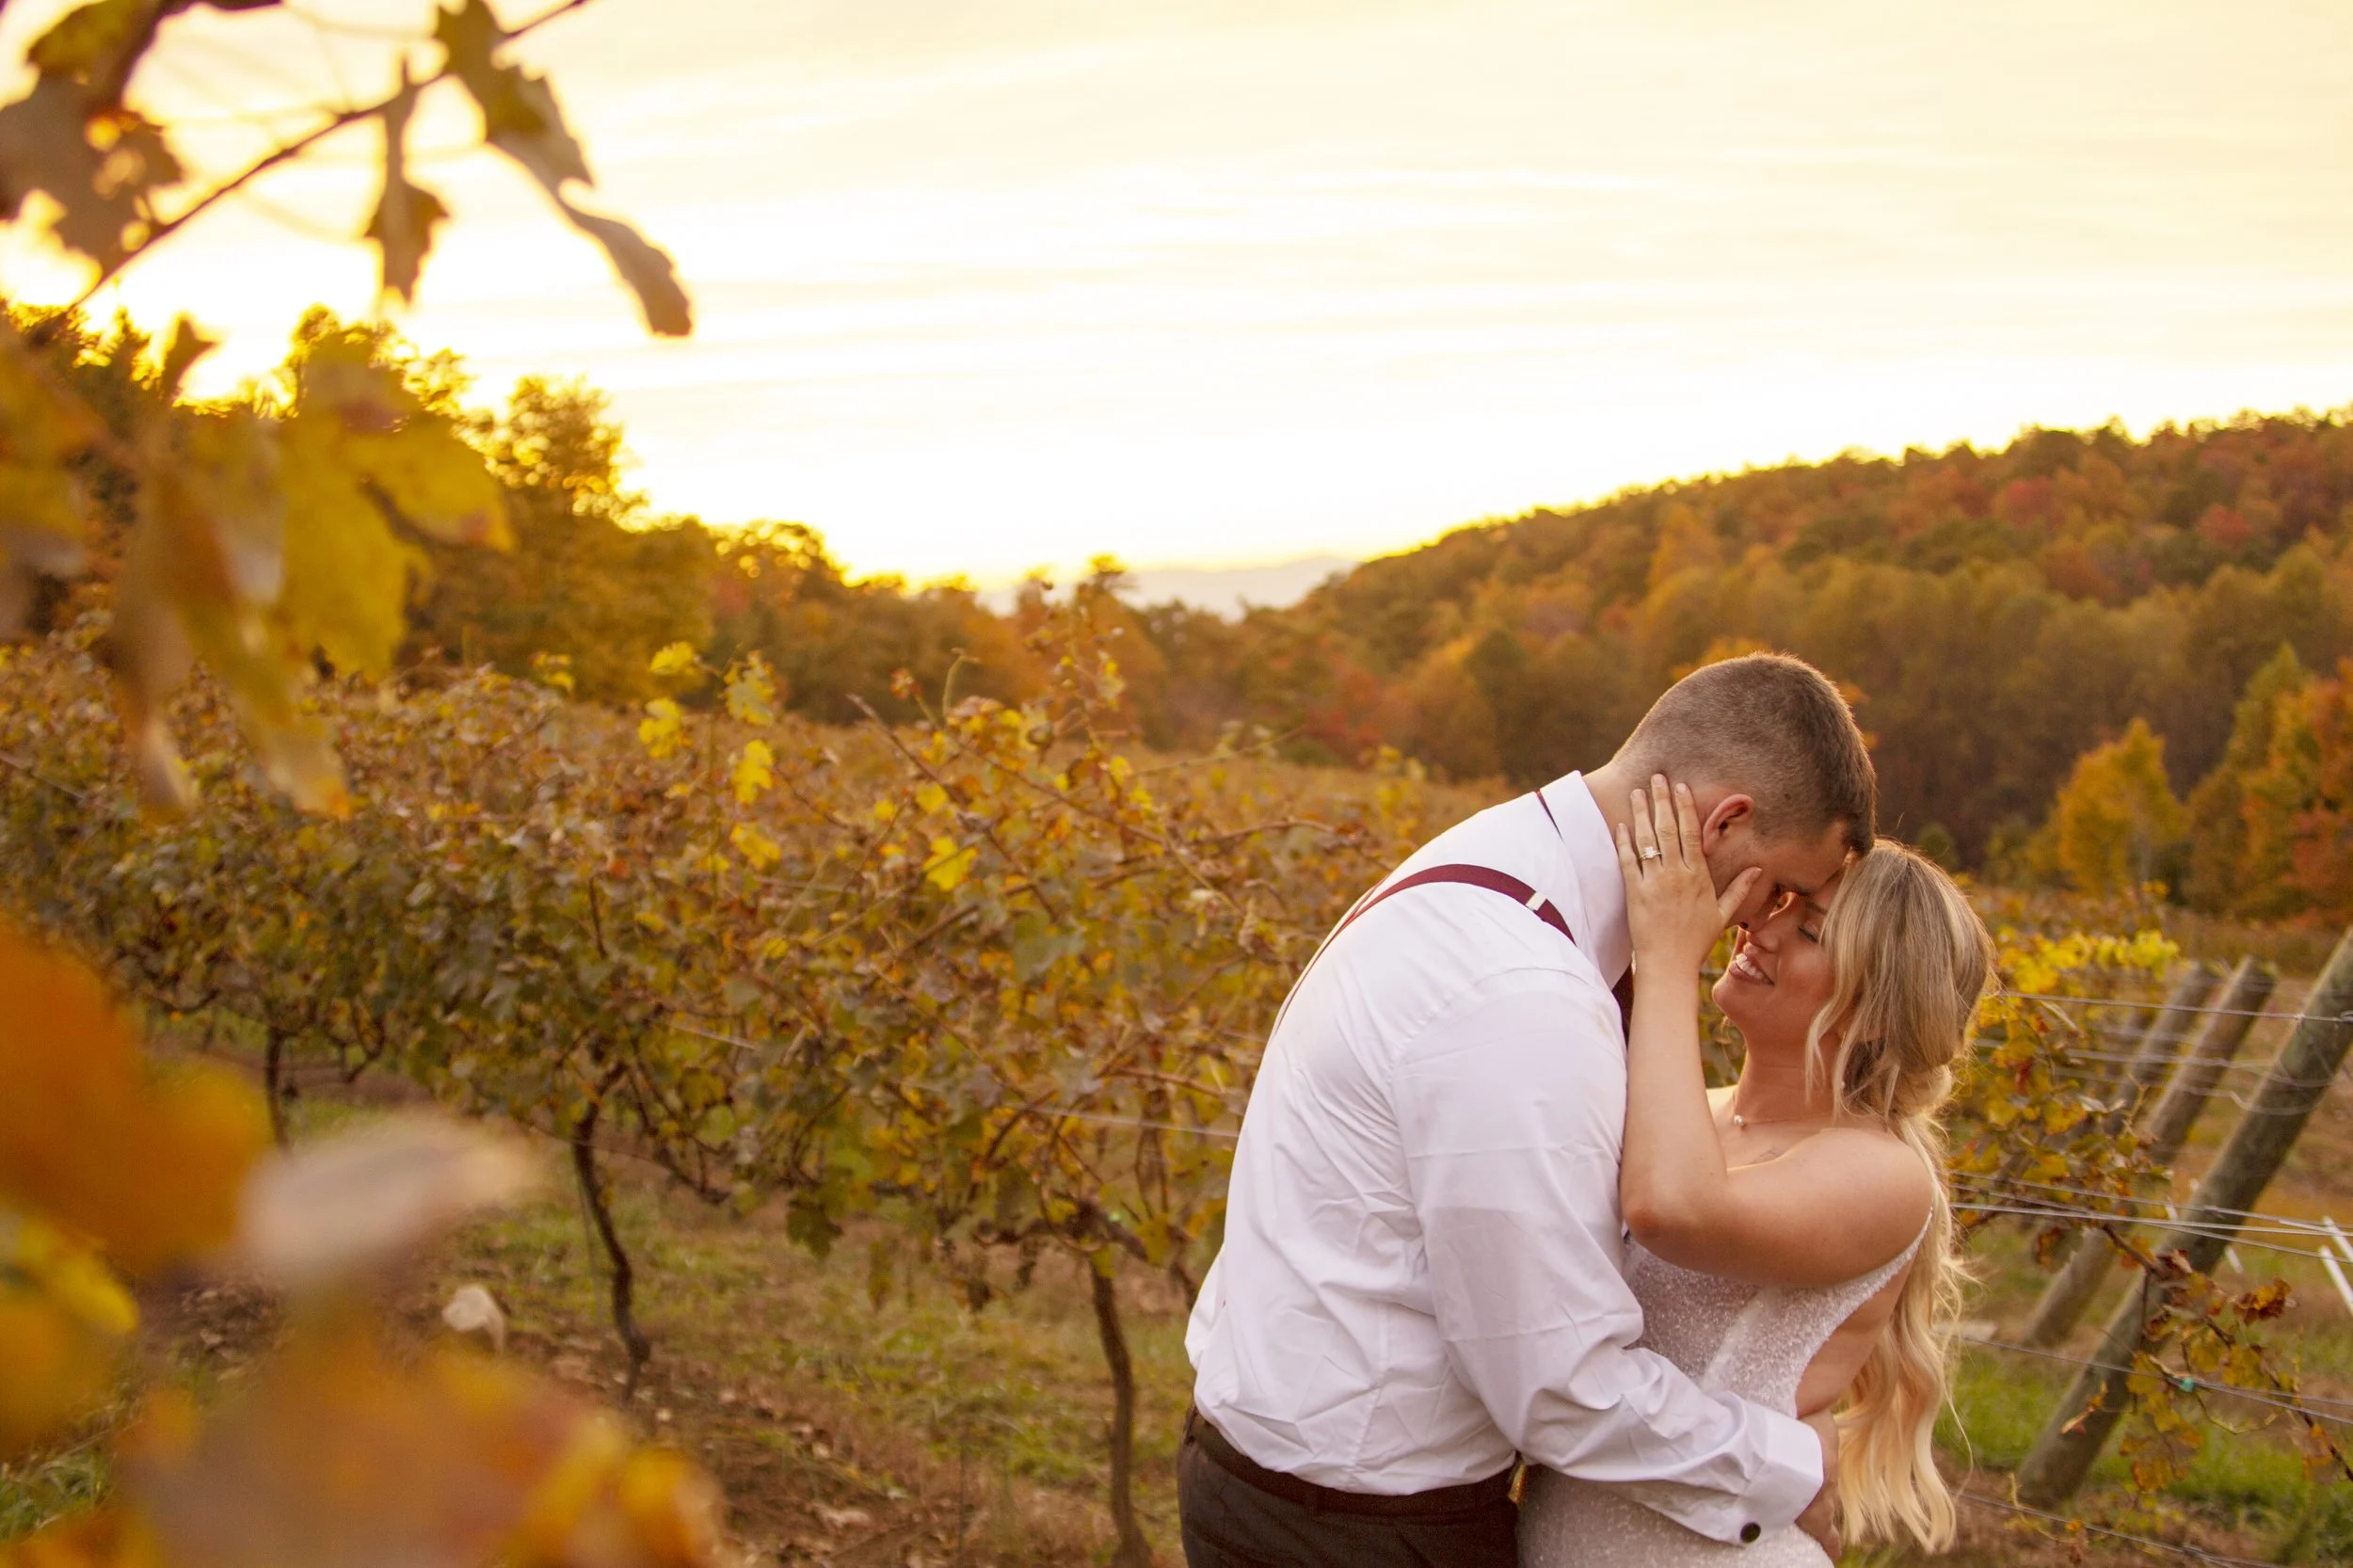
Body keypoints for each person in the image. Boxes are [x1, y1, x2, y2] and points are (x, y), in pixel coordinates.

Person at [1181, 653, 1874, 1568]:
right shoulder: (1518, 995)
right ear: (1725, 823)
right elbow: (1560, 1388)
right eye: (1779, 887)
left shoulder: (1504, 861)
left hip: (1289, 1482)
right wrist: (1795, 1467)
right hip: (1358, 1530)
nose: (1763, 926)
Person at [1517, 786, 1989, 1565]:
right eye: (1779, 905)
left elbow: (1672, 1206)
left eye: (1808, 930)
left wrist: (1664, 956)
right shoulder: (1693, 1114)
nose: (1758, 930)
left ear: (1874, 1008)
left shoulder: (1886, 1174)